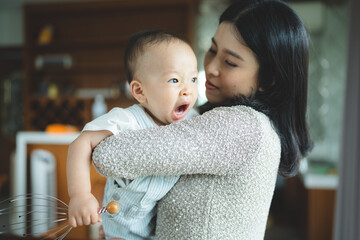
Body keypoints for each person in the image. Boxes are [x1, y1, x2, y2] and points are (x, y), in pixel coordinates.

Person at [92, 0, 314, 239]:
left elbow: (107, 156)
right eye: (212, 49)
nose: (211, 67)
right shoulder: (253, 125)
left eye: (230, 62)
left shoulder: (239, 126)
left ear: (268, 80)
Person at [66, 30, 198, 240]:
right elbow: (81, 143)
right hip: (119, 231)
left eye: (193, 79)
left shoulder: (193, 121)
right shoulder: (128, 120)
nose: (187, 90)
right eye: (174, 80)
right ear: (139, 91)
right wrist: (80, 195)